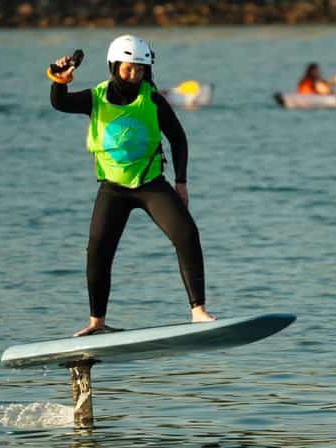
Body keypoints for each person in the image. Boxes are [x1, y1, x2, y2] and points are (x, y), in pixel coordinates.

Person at [48, 35, 216, 337]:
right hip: (112, 189)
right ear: (114, 66)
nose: (134, 75)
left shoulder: (153, 99)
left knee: (187, 234)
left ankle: (198, 312)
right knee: (98, 249)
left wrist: (181, 182)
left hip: (151, 185)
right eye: (128, 69)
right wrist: (59, 81)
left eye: (140, 70)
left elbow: (178, 138)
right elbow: (59, 103)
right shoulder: (95, 98)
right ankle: (97, 323)